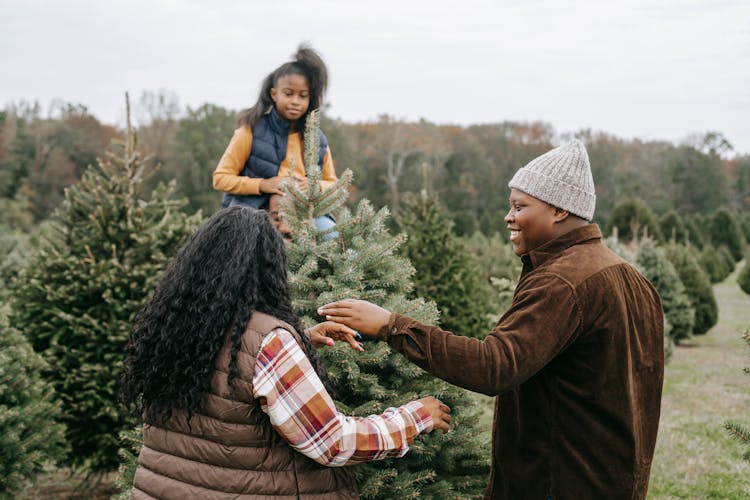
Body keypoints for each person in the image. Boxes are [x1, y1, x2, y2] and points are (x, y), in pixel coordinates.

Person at [319, 140, 665, 500]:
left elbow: (494, 366)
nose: (508, 216)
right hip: (615, 480)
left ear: (560, 210)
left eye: (520, 206)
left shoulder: (562, 282)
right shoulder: (630, 276)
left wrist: (392, 326)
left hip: (558, 481)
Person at [120, 207, 451, 499]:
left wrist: (304, 339)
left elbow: (229, 374)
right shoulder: (269, 342)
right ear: (268, 268)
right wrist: (415, 417)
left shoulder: (178, 327)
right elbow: (332, 441)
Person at [212, 44, 337, 232]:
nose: (295, 101)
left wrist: (315, 186)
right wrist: (263, 185)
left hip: (305, 215)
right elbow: (220, 178)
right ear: (274, 94)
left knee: (334, 238)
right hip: (252, 213)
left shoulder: (317, 140)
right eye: (288, 94)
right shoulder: (250, 131)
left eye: (303, 96)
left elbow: (334, 185)